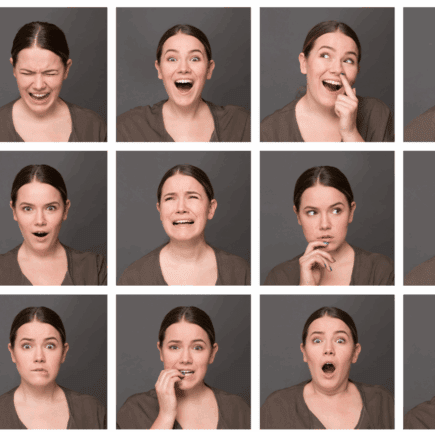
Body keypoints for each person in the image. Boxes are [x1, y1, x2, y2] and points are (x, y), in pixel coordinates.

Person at [117, 306, 250, 429]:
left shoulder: (238, 408)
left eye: (197, 347)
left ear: (212, 353)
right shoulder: (135, 409)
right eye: (174, 347)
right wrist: (166, 415)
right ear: (161, 351)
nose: (185, 359)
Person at [261, 306, 393, 429]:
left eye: (340, 340)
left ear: (355, 352)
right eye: (317, 340)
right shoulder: (276, 407)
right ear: (304, 352)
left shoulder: (383, 402)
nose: (328, 349)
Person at [261, 21, 393, 142]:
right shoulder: (269, 131)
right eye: (325, 55)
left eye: (348, 60)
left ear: (357, 70)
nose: (337, 69)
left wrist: (350, 132)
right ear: (304, 63)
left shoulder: (377, 115)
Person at [0, 307, 105, 429]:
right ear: (12, 353)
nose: (39, 357)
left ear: (64, 353)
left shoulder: (92, 410)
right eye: (27, 346)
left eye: (50, 346)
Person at [0, 164, 106, 285]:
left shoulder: (95, 268)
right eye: (27, 208)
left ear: (65, 210)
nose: (39, 221)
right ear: (14, 211)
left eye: (50, 208)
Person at [118, 164, 249, 285]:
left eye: (192, 197)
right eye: (170, 198)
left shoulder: (240, 271)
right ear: (160, 211)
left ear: (211, 208)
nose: (181, 208)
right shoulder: (134, 277)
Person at [0, 21, 106, 142]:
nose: (38, 86)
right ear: (13, 68)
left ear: (66, 69)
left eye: (50, 73)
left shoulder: (93, 126)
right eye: (27, 73)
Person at [117, 24, 250, 142]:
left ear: (209, 69)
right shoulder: (127, 127)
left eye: (195, 58)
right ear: (159, 69)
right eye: (172, 59)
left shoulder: (241, 122)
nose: (183, 69)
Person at [265, 166, 393, 285]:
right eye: (312, 212)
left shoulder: (381, 269)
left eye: (336, 211)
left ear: (351, 212)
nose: (325, 225)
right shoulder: (279, 278)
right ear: (298, 215)